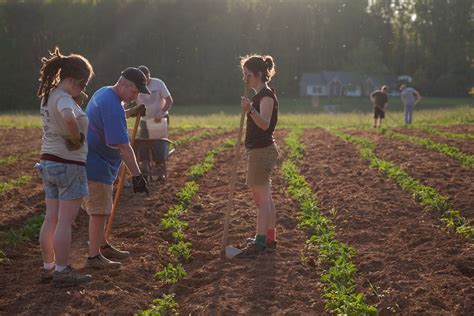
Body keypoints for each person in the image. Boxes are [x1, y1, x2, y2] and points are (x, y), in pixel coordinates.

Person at [36, 47, 94, 287]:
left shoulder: (48, 95)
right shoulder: (63, 98)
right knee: (65, 221)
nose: (82, 90)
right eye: (81, 85)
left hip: (49, 161)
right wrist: (75, 138)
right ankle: (62, 271)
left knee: (51, 217)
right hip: (68, 164)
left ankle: (48, 267)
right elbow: (69, 118)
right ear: (71, 80)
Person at [84, 67, 149, 269]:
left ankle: (102, 244)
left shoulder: (104, 92)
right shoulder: (112, 104)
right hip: (96, 165)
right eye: (134, 92)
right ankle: (94, 257)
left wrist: (130, 112)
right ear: (124, 84)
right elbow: (123, 146)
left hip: (95, 161)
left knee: (103, 208)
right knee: (99, 211)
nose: (134, 97)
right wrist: (137, 176)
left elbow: (112, 118)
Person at [240, 54, 279, 255]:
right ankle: (269, 238)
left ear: (257, 74)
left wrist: (250, 110)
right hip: (262, 150)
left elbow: (264, 124)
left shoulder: (265, 96)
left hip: (261, 151)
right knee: (267, 198)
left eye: (247, 74)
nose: (245, 78)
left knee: (261, 201)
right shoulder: (261, 95)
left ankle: (260, 241)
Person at [136, 65, 174, 181]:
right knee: (143, 144)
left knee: (158, 144)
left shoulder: (158, 84)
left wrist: (161, 112)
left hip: (159, 119)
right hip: (144, 119)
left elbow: (169, 100)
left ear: (149, 76)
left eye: (145, 78)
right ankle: (145, 166)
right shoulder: (136, 85)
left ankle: (159, 168)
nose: (144, 81)